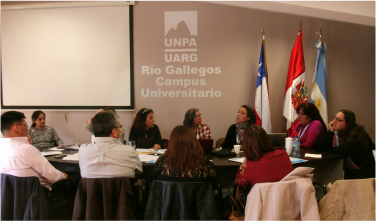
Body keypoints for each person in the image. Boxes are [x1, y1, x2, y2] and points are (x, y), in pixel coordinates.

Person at [0, 111, 67, 190]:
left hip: (11, 196)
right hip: (38, 195)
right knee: (75, 178)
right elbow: (54, 177)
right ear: (17, 128)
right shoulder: (26, 150)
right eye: (25, 126)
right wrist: (63, 175)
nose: (27, 129)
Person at [314, 110, 376, 179]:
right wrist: (330, 132)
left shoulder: (357, 135)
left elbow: (341, 150)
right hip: (351, 170)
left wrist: (326, 149)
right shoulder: (337, 133)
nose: (334, 121)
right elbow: (318, 146)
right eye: (334, 118)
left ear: (347, 123)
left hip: (366, 172)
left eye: (338, 120)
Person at [79, 111, 142, 178]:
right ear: (114, 132)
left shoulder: (83, 151)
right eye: (119, 127)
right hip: (121, 188)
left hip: (91, 188)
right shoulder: (129, 151)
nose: (120, 130)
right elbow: (139, 171)